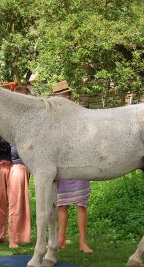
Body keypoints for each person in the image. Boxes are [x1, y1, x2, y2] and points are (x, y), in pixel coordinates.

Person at [0, 85, 32, 248]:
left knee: (17, 202)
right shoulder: (2, 115)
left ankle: (15, 238)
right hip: (2, 162)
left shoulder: (31, 119)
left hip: (19, 164)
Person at [52, 81, 94, 254]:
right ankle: (60, 240)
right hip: (62, 166)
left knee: (80, 204)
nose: (65, 97)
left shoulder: (80, 115)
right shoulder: (53, 119)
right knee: (62, 206)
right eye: (61, 96)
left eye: (66, 94)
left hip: (79, 164)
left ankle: (83, 242)